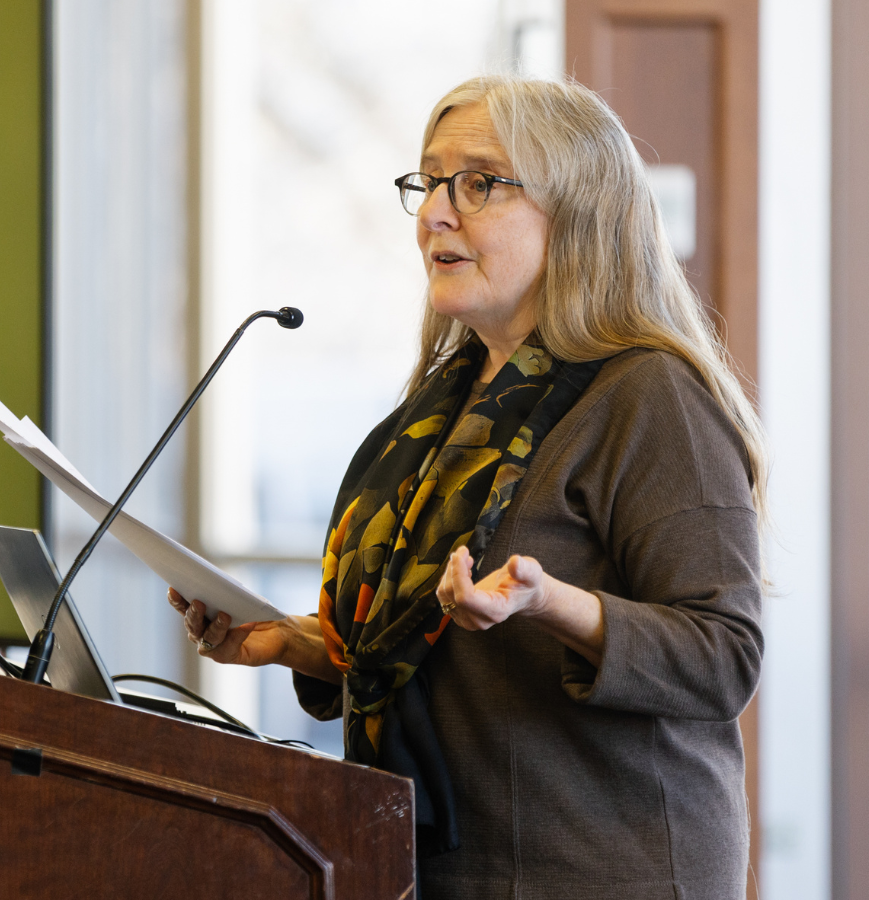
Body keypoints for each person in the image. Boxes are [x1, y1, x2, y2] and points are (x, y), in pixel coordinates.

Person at [167, 74, 766, 899]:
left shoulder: (650, 395)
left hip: (599, 873)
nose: (435, 214)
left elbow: (724, 656)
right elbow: (427, 652)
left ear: (577, 214)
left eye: (478, 184)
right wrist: (294, 642)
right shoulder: (446, 403)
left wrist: (550, 603)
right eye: (429, 182)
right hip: (444, 870)